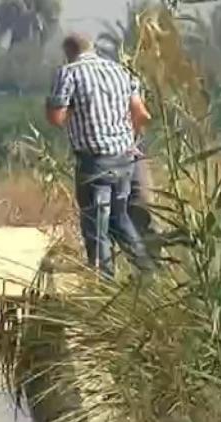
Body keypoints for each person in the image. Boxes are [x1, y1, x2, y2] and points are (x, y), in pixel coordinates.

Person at [46, 33, 154, 279]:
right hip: (124, 159)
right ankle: (147, 271)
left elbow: (56, 118)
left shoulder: (69, 73)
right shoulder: (120, 71)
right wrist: (131, 140)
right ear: (91, 47)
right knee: (119, 217)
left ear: (68, 52)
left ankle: (104, 284)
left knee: (96, 226)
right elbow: (141, 114)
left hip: (95, 163)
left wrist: (66, 107)